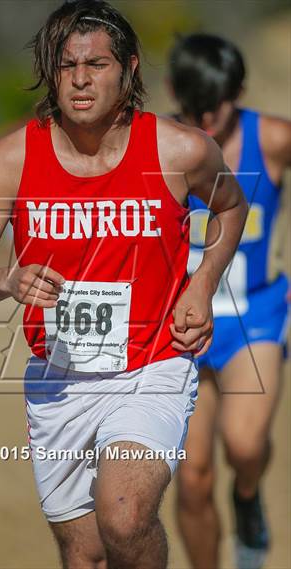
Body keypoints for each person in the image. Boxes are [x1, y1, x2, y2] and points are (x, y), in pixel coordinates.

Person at [0, 4, 247, 568]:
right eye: (67, 65)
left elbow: (231, 206)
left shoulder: (178, 150)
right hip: (59, 380)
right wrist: (7, 279)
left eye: (97, 64)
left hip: (152, 364)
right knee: (85, 553)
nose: (81, 79)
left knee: (125, 517)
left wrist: (203, 283)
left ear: (129, 69)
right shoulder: (12, 158)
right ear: (50, 71)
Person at [168, 33, 291, 569]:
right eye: (192, 105)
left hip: (255, 316)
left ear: (237, 90)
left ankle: (247, 497)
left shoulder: (276, 139)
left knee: (243, 446)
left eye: (214, 106)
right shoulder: (159, 142)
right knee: (192, 479)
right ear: (175, 91)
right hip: (180, 325)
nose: (204, 118)